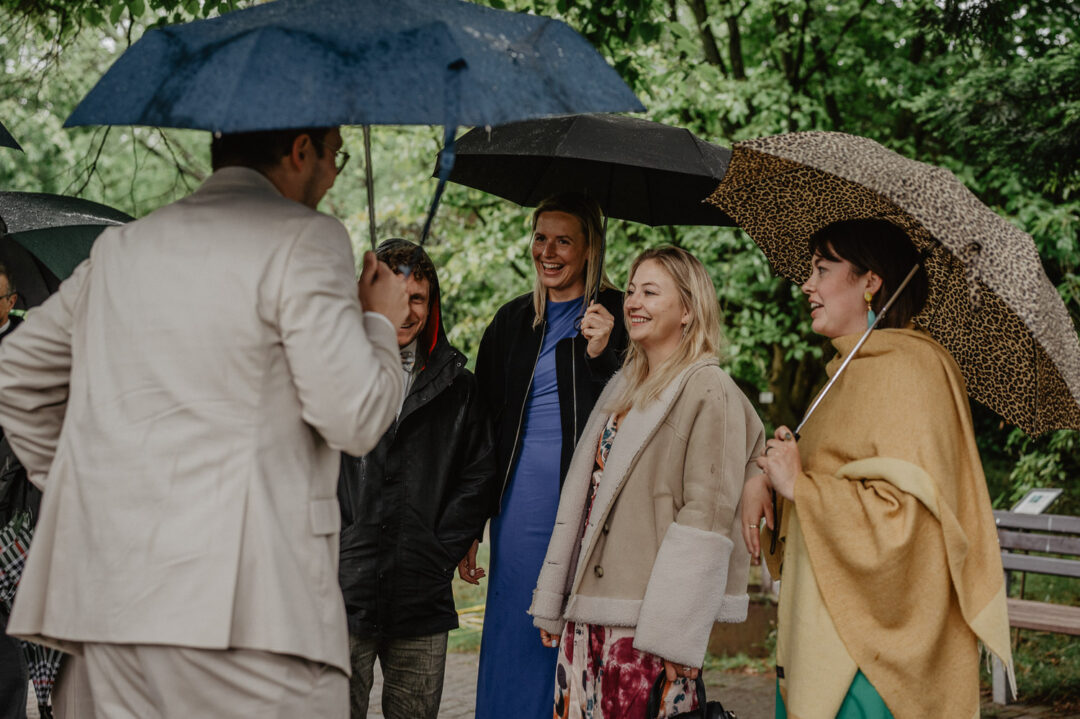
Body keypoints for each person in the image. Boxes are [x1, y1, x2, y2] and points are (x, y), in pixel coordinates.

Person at [0, 126, 409, 719]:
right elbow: (355, 416)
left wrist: (81, 485)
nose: (335, 172)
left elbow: (15, 370)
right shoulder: (306, 238)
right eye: (335, 154)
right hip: (248, 614)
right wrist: (377, 324)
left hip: (108, 605)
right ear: (301, 150)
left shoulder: (122, 248)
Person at [740, 218, 1013, 719]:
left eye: (823, 269)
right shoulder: (842, 378)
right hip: (814, 633)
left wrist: (800, 486)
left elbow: (906, 523)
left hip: (867, 658)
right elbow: (819, 481)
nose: (807, 284)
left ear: (871, 281)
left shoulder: (913, 370)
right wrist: (770, 482)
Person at [530, 246, 764, 718]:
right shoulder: (625, 383)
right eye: (632, 290)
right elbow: (587, 501)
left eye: (651, 292)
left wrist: (679, 636)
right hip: (589, 615)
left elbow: (706, 517)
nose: (633, 301)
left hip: (649, 630)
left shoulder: (708, 389)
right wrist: (556, 600)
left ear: (688, 309)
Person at [473, 192, 628, 718]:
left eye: (565, 240)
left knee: (571, 638)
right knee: (515, 629)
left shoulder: (622, 317)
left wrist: (602, 355)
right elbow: (483, 430)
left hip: (589, 507)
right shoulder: (512, 322)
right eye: (541, 237)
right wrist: (470, 524)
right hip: (518, 510)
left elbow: (639, 411)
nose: (549, 251)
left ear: (589, 248)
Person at [337, 238, 497, 719]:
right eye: (396, 297)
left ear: (433, 304)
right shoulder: (333, 374)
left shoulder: (459, 387)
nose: (406, 312)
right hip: (340, 593)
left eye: (418, 299)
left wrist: (437, 548)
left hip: (421, 596)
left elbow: (480, 475)